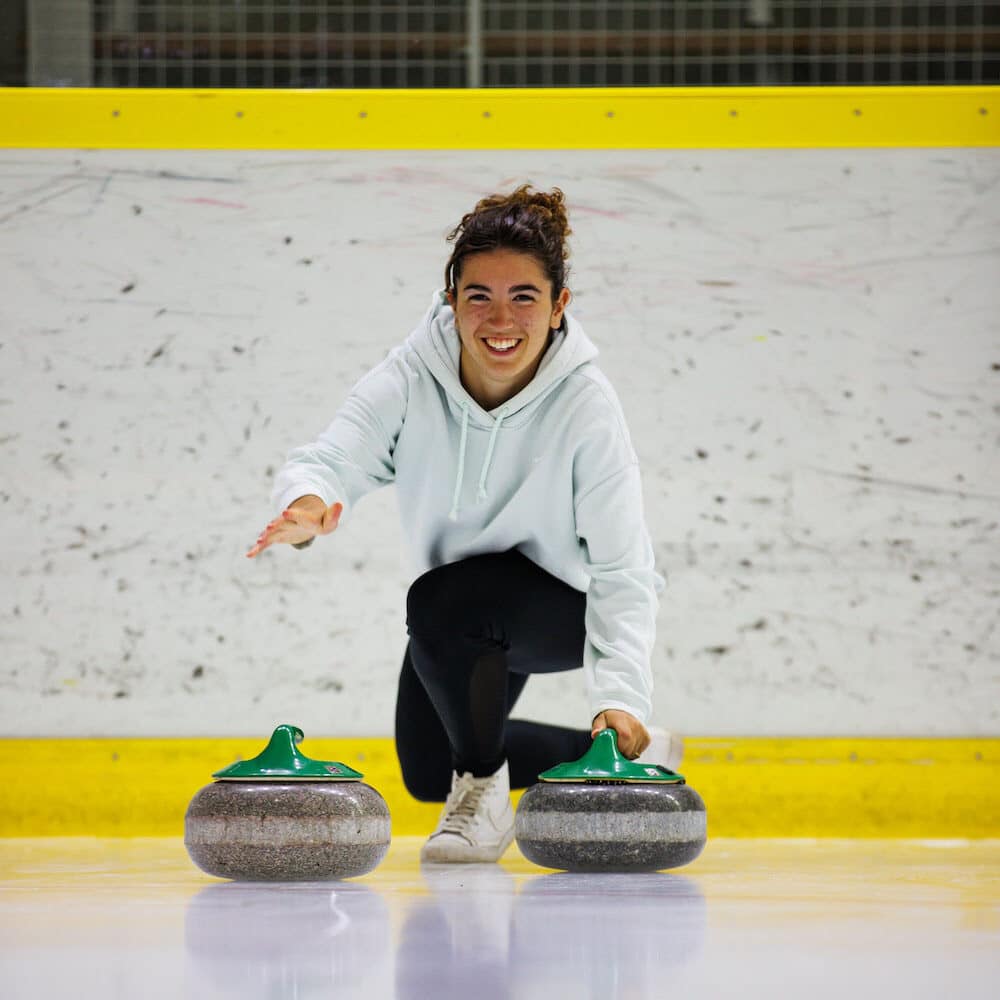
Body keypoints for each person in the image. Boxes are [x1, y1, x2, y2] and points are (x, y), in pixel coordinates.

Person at [247, 185, 673, 863]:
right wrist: (308, 501)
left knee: (443, 600)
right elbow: (334, 455)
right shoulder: (413, 375)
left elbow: (623, 566)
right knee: (423, 768)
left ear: (559, 305)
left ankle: (482, 795)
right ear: (452, 299)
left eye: (524, 297)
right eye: (479, 296)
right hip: (464, 615)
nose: (499, 319)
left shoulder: (586, 404)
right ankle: (617, 758)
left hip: (563, 610)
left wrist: (621, 693)